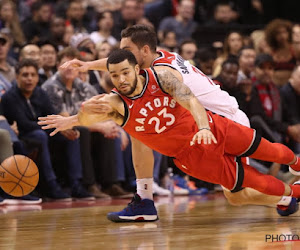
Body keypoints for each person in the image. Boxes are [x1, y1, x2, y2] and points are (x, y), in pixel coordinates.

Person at [58, 25, 295, 218]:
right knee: (138, 131)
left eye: (128, 50)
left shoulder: (163, 71)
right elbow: (121, 63)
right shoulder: (161, 56)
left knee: (238, 194)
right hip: (212, 119)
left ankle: (289, 194)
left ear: (144, 51)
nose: (123, 56)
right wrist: (88, 65)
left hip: (225, 119)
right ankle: (144, 199)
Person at [1, 58, 94, 201]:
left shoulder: (40, 93)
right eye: (25, 75)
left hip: (42, 131)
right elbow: (24, 124)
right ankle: (51, 185)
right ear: (17, 77)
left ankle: (76, 183)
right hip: (23, 136)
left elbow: (52, 115)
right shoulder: (9, 97)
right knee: (40, 135)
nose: (29, 79)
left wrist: (64, 127)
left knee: (71, 134)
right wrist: (56, 126)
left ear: (38, 77)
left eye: (33, 75)